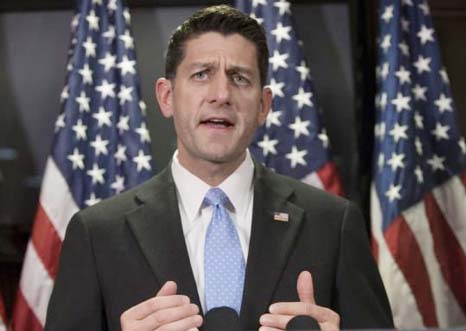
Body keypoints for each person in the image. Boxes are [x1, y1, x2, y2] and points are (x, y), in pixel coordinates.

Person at [45, 5, 393, 331]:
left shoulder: (333, 223)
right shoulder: (96, 234)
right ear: (167, 97)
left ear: (263, 105)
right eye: (201, 74)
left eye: (240, 78)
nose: (221, 94)